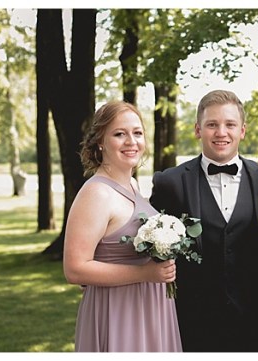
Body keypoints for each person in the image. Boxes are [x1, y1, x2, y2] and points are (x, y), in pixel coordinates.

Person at [150, 90, 258, 351]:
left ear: (243, 130)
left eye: (230, 124)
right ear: (197, 130)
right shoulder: (170, 183)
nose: (221, 132)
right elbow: (147, 239)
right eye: (212, 124)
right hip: (193, 323)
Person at [63, 101, 181, 352]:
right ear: (100, 142)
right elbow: (74, 269)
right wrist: (146, 274)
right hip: (117, 312)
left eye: (137, 133)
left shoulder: (134, 186)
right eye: (119, 134)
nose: (131, 141)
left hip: (151, 308)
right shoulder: (96, 193)